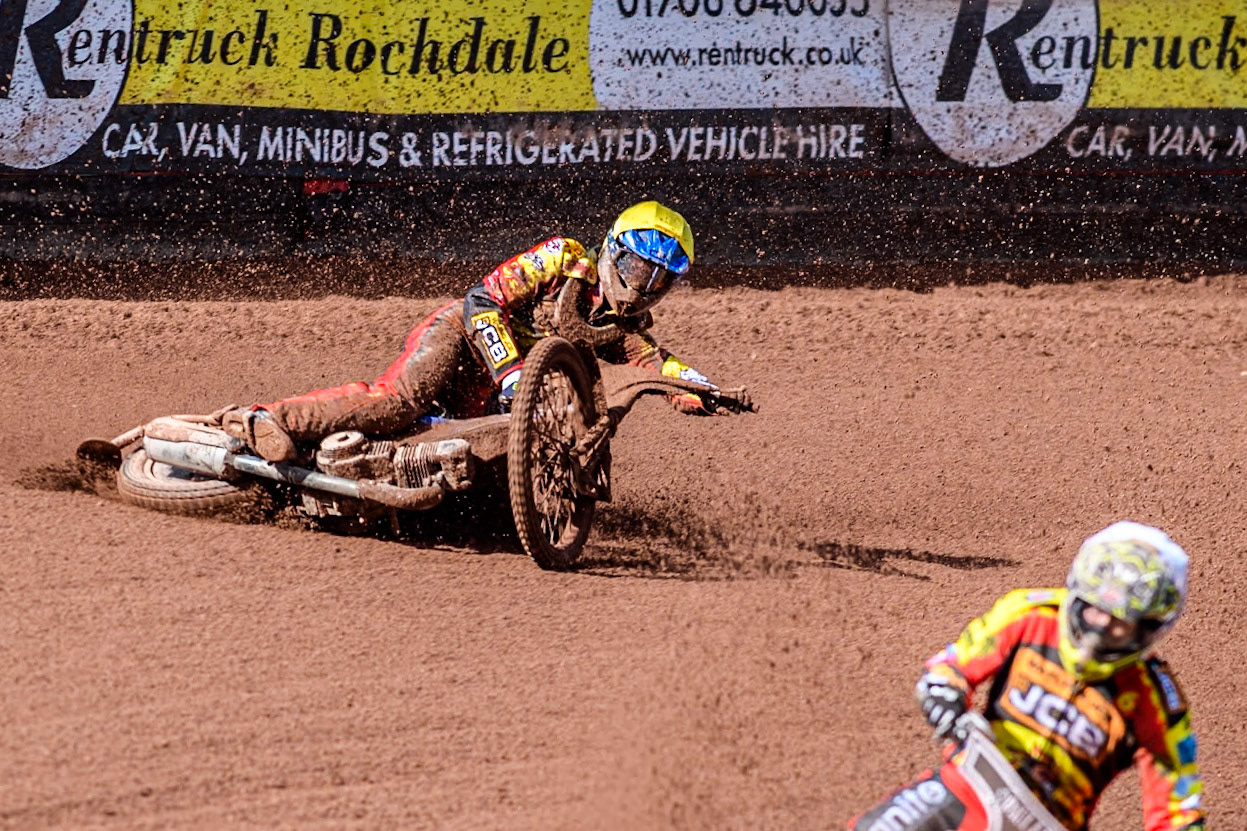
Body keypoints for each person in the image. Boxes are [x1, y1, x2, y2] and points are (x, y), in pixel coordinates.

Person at [220, 201, 743, 463]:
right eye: (636, 269)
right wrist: (513, 372)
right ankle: (266, 420)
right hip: (461, 337)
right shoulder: (562, 258)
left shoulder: (623, 331)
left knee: (502, 456)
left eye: (658, 280)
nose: (640, 287)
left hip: (497, 393)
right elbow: (481, 300)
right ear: (612, 252)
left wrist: (704, 391)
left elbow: (662, 367)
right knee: (401, 402)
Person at [850, 521, 1206, 831]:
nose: (1100, 630)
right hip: (969, 783)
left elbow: (1177, 811)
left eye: (1119, 624)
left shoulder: (1157, 701)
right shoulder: (1029, 615)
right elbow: (949, 669)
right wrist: (948, 702)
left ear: (1150, 628)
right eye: (1095, 611)